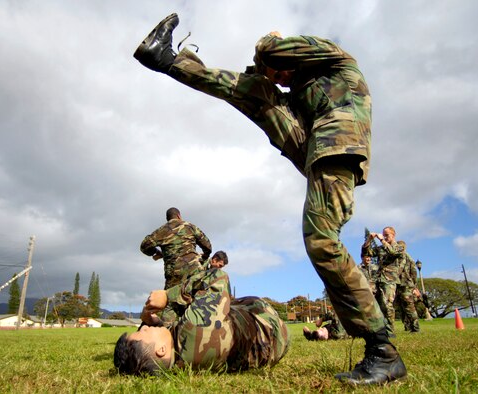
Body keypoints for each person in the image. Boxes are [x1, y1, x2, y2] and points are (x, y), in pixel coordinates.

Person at [133, 13, 406, 385]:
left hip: (336, 143)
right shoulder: (303, 92)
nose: (279, 79)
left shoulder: (336, 59)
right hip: (313, 145)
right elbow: (257, 82)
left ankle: (383, 351)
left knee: (323, 242)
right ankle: (166, 60)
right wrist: (261, 77)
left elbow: (269, 47)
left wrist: (268, 46)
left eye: (281, 72)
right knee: (254, 92)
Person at [113, 268, 290, 375]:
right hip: (270, 325)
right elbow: (218, 276)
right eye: (144, 331)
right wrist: (168, 296)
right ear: (160, 350)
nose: (145, 327)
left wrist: (152, 322)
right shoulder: (194, 328)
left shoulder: (178, 361)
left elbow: (169, 332)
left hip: (266, 353)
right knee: (219, 300)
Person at [140, 207, 212, 290]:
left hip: (174, 273)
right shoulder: (190, 226)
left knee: (170, 299)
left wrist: (156, 252)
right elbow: (208, 246)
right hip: (193, 269)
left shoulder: (161, 230)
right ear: (179, 216)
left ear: (167, 219)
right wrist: (204, 258)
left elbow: (144, 246)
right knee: (197, 298)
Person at [362, 227, 404, 337]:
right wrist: (369, 240)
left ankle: (390, 331)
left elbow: (393, 252)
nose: (385, 236)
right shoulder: (380, 248)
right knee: (374, 304)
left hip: (389, 280)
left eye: (387, 235)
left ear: (393, 235)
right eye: (384, 234)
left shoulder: (399, 247)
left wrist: (381, 240)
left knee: (387, 305)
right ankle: (378, 330)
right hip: (378, 279)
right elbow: (366, 252)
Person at [396, 241, 420, 333]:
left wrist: (414, 287)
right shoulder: (395, 258)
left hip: (406, 285)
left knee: (409, 307)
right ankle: (407, 327)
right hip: (398, 285)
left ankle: (415, 328)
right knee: (401, 307)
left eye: (401, 247)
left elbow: (414, 273)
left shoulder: (408, 258)